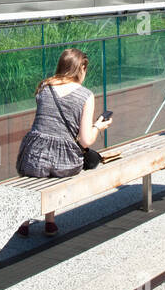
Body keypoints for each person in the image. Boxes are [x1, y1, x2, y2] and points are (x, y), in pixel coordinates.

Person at [15, 47, 110, 236]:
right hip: (64, 162)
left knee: (38, 168)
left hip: (33, 158)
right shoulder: (85, 95)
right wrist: (99, 127)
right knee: (53, 165)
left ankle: (24, 222)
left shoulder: (44, 87)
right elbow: (85, 141)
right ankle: (50, 222)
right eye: (85, 69)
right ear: (81, 67)